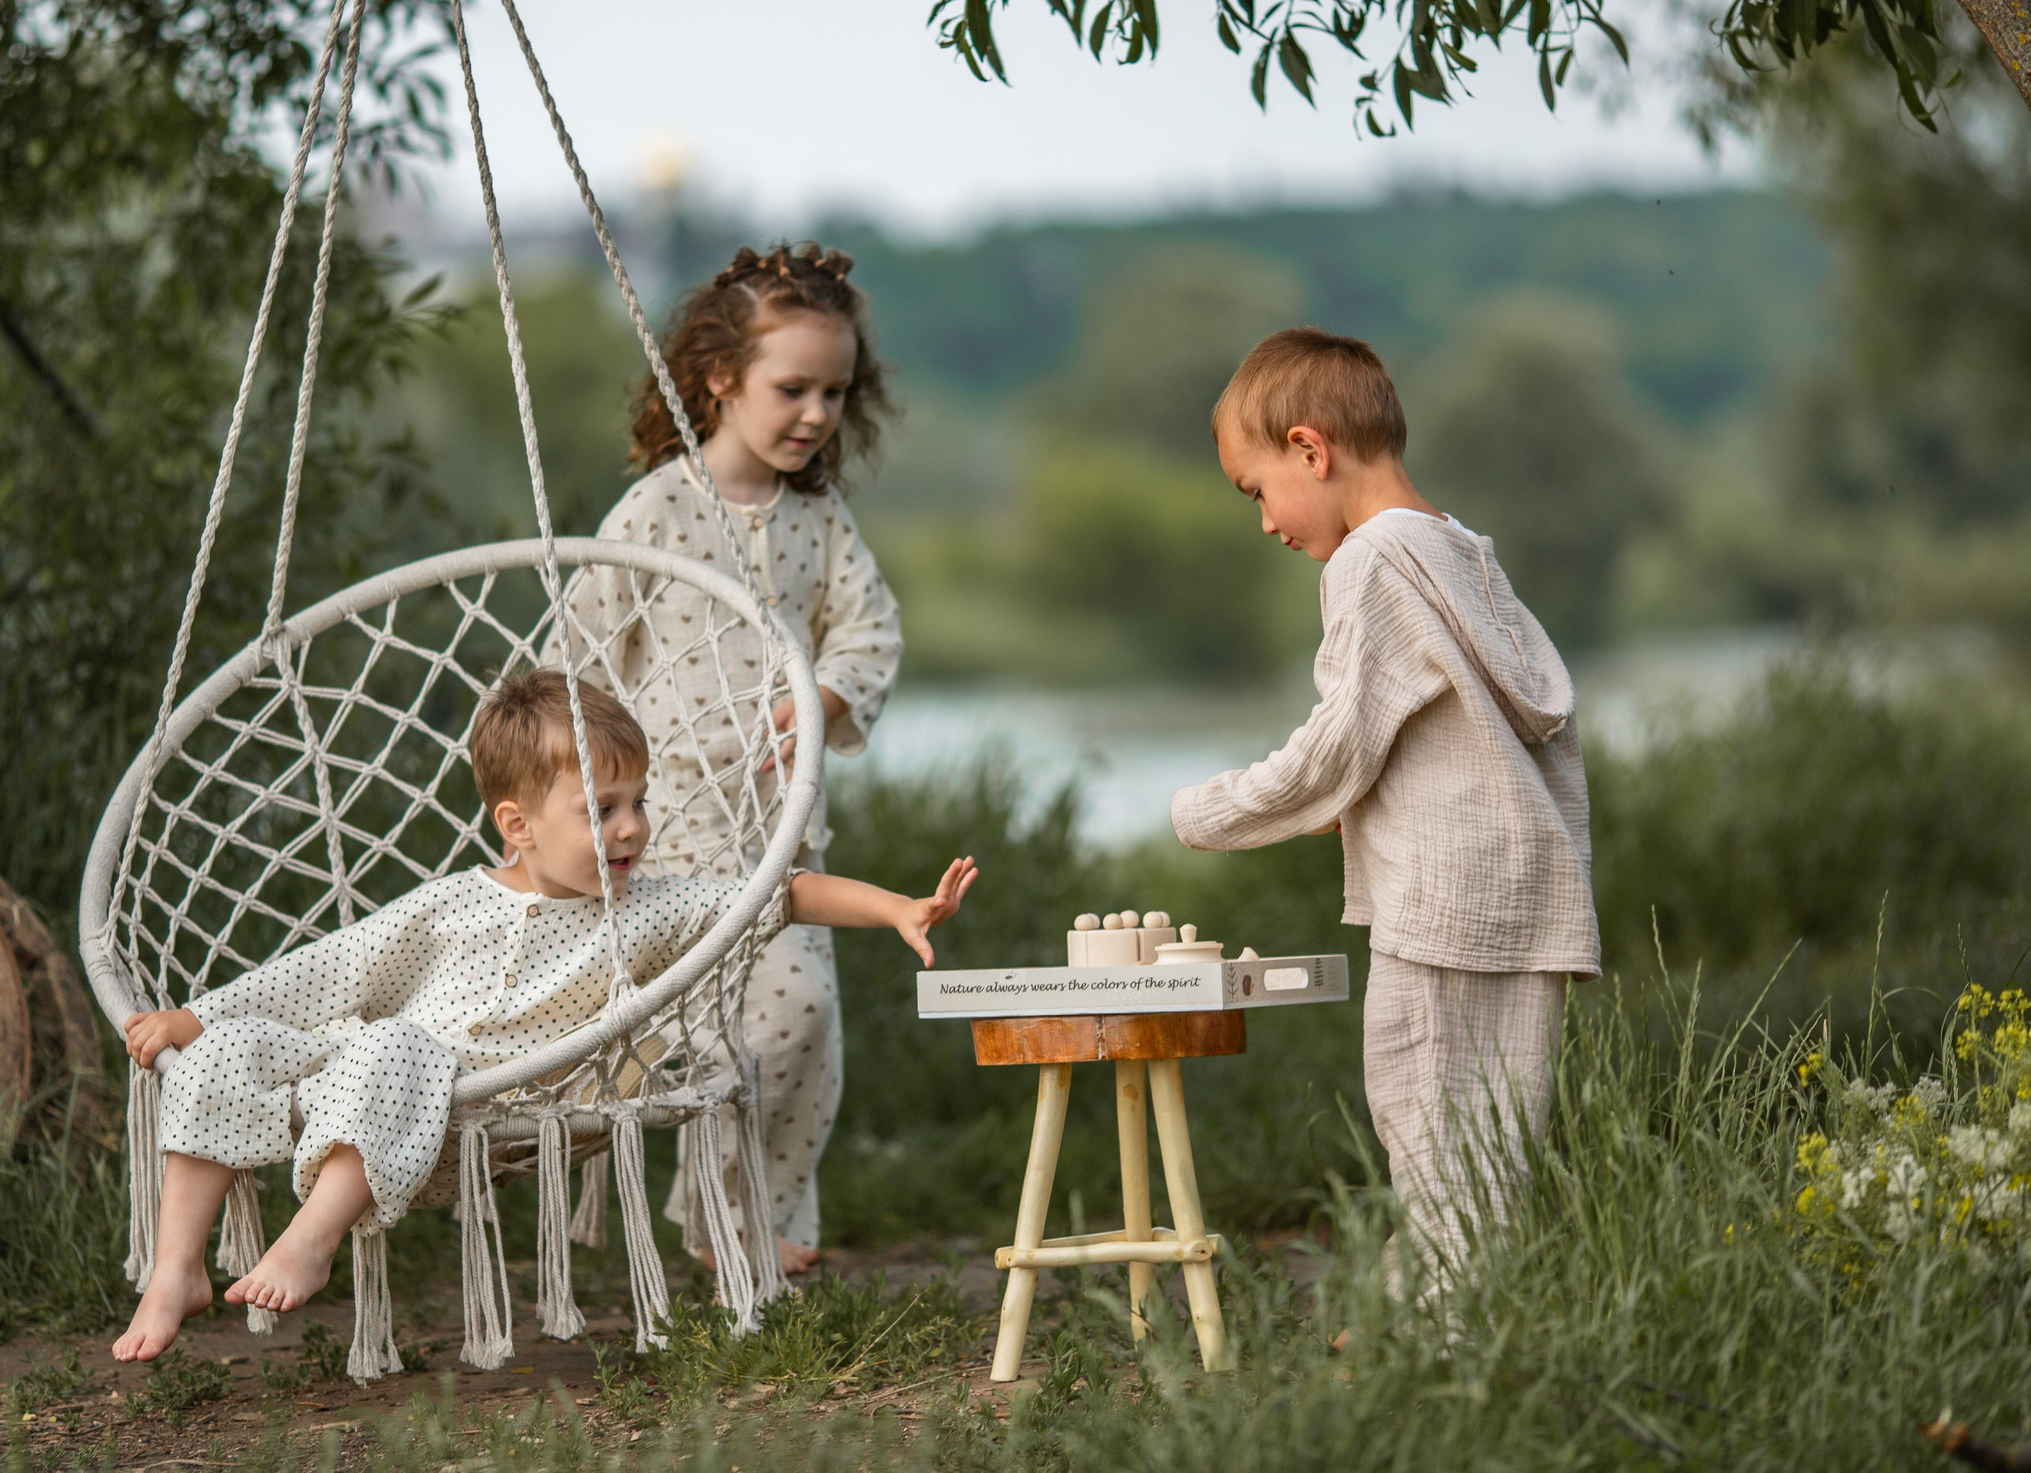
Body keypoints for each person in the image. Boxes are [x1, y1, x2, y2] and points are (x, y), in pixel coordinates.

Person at [109, 669, 972, 1363]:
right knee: (224, 1050)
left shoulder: (649, 908)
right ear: (516, 824)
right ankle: (177, 1266)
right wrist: (201, 1013)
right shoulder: (448, 904)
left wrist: (896, 905)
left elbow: (776, 896)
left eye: (637, 801)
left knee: (397, 1047)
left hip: (475, 1097)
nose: (632, 827)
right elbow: (328, 972)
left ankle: (311, 1236)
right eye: (601, 809)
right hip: (360, 1070)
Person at [1167, 327, 1600, 1301]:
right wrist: (1363, 791)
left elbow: (1338, 745)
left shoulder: (1367, 563)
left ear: (1309, 450)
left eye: (1256, 489)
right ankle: (1441, 1317)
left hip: (1441, 899)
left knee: (1425, 1118)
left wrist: (1208, 811)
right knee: (1488, 1141)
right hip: (1524, 890)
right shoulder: (1461, 552)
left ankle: (1440, 1345)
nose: (1266, 522)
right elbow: (1459, 725)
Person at [567, 242, 901, 1278]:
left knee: (801, 1030)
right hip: (660, 837)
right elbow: (576, 656)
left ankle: (739, 1212)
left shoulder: (819, 518)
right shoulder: (658, 510)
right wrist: (583, 787)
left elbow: (871, 628)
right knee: (703, 1035)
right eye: (790, 387)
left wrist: (833, 692)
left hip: (779, 833)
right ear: (720, 379)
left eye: (834, 392)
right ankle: (720, 1215)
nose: (815, 413)